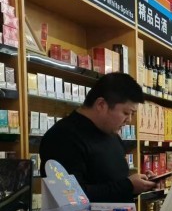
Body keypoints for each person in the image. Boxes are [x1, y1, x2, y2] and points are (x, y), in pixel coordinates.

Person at [40, 72, 156, 202]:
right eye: (126, 113)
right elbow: (71, 196)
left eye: (132, 114)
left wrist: (138, 185)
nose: (129, 120)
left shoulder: (111, 134)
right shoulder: (62, 137)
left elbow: (112, 183)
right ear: (101, 104)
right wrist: (128, 186)